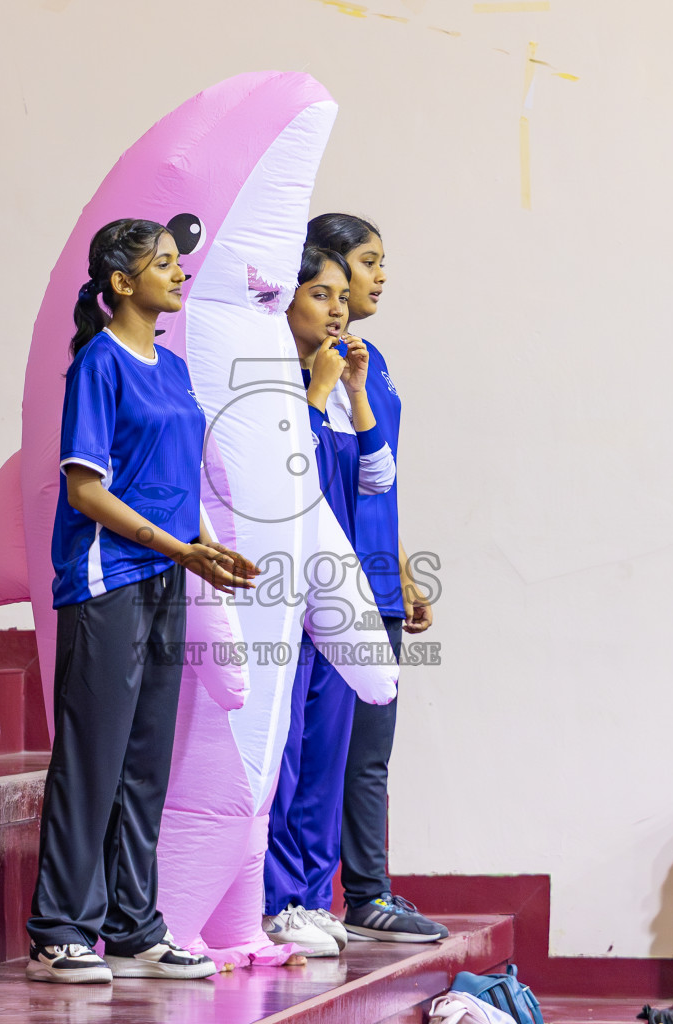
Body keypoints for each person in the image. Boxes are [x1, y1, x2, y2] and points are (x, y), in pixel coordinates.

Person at [26, 217, 259, 984]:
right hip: (107, 580)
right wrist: (173, 547)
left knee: (146, 761)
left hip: (165, 573)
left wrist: (204, 547)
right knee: (93, 757)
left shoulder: (171, 364)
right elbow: (86, 487)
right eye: (164, 264)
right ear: (122, 284)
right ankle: (61, 927)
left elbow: (178, 477)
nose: (179, 274)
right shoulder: (100, 361)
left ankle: (133, 926)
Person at [306, 213, 446, 943]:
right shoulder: (300, 366)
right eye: (369, 261)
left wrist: (403, 569)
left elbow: (377, 478)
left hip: (381, 581)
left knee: (369, 756)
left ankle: (368, 894)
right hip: (332, 589)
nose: (380, 275)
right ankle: (311, 896)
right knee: (322, 751)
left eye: (380, 262)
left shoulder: (373, 361)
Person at [262, 246, 396, 957]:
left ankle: (314, 896)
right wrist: (315, 393)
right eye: (321, 294)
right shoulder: (271, 385)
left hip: (336, 600)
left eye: (342, 295)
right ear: (286, 303)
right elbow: (286, 477)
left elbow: (377, 478)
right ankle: (275, 898)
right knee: (283, 755)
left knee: (326, 757)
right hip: (286, 597)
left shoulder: (342, 388)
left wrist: (353, 393)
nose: (338, 307)